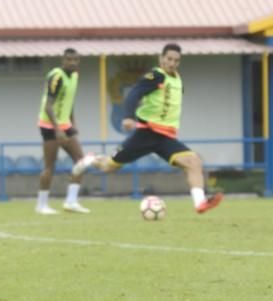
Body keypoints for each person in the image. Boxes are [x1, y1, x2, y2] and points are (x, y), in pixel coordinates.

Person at [72, 43, 223, 214]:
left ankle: (200, 203)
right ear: (161, 59)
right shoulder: (156, 75)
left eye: (176, 60)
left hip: (166, 138)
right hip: (146, 134)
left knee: (194, 161)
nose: (172, 63)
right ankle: (90, 160)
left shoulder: (177, 80)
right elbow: (134, 93)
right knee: (109, 166)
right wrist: (128, 116)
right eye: (169, 59)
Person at [35, 48, 90, 215]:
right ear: (63, 60)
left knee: (81, 161)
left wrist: (72, 123)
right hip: (49, 125)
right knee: (50, 165)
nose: (72, 63)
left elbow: (69, 101)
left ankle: (71, 201)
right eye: (69, 60)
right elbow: (48, 105)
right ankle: (42, 204)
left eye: (75, 60)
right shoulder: (56, 76)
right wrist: (58, 129)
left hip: (64, 124)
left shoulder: (74, 76)